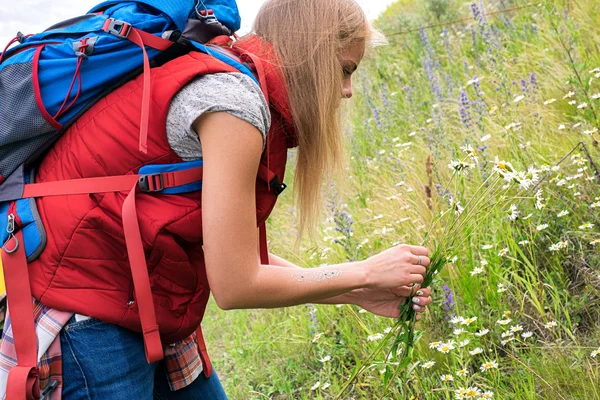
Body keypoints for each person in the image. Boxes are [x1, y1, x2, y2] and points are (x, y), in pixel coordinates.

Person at [0, 0, 432, 398]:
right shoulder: (232, 105)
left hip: (144, 300)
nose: (347, 91)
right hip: (85, 317)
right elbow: (236, 283)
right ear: (313, 57)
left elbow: (224, 251)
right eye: (344, 70)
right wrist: (364, 272)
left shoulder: (234, 81)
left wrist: (356, 291)